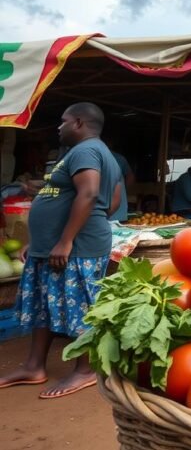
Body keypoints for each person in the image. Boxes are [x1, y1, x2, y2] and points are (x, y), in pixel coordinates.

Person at [0, 103, 121, 398]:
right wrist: (43, 238)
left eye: (62, 121)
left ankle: (85, 369)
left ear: (78, 122)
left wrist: (67, 240)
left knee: (80, 306)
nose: (58, 127)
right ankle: (34, 366)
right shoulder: (86, 154)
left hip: (76, 249)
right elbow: (113, 199)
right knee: (44, 305)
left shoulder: (86, 150)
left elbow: (92, 193)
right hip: (53, 246)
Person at [106, 140, 134, 223]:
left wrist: (123, 191)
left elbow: (130, 176)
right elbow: (130, 176)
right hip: (117, 211)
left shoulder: (118, 158)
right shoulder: (119, 158)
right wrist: (123, 191)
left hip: (110, 210)